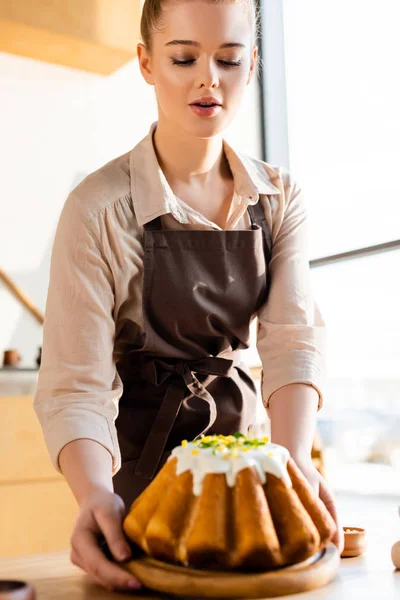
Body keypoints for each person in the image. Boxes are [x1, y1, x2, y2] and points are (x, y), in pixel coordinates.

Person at [33, 0, 344, 592]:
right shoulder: (97, 208)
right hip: (137, 473)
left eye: (228, 59)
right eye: (183, 58)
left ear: (251, 65)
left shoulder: (278, 198)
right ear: (147, 63)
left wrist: (292, 461)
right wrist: (95, 493)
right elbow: (76, 383)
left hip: (245, 463)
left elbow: (291, 339)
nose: (208, 79)